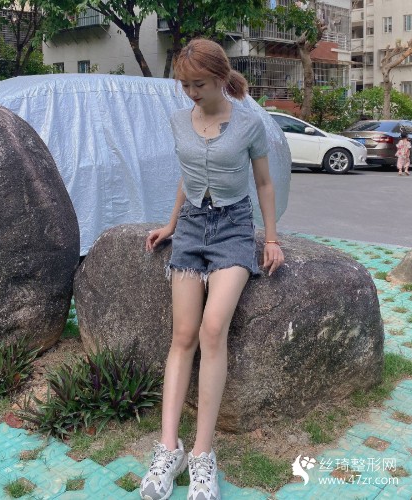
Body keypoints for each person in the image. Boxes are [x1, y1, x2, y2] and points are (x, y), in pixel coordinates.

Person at [140, 38, 285, 500]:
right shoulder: (178, 121)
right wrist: (171, 223)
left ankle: (203, 454)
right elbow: (187, 176)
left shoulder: (249, 123)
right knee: (182, 335)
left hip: (234, 229)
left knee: (212, 328)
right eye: (185, 85)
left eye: (198, 84)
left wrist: (271, 237)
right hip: (191, 229)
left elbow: (264, 183)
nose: (191, 93)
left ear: (221, 78)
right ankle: (169, 448)